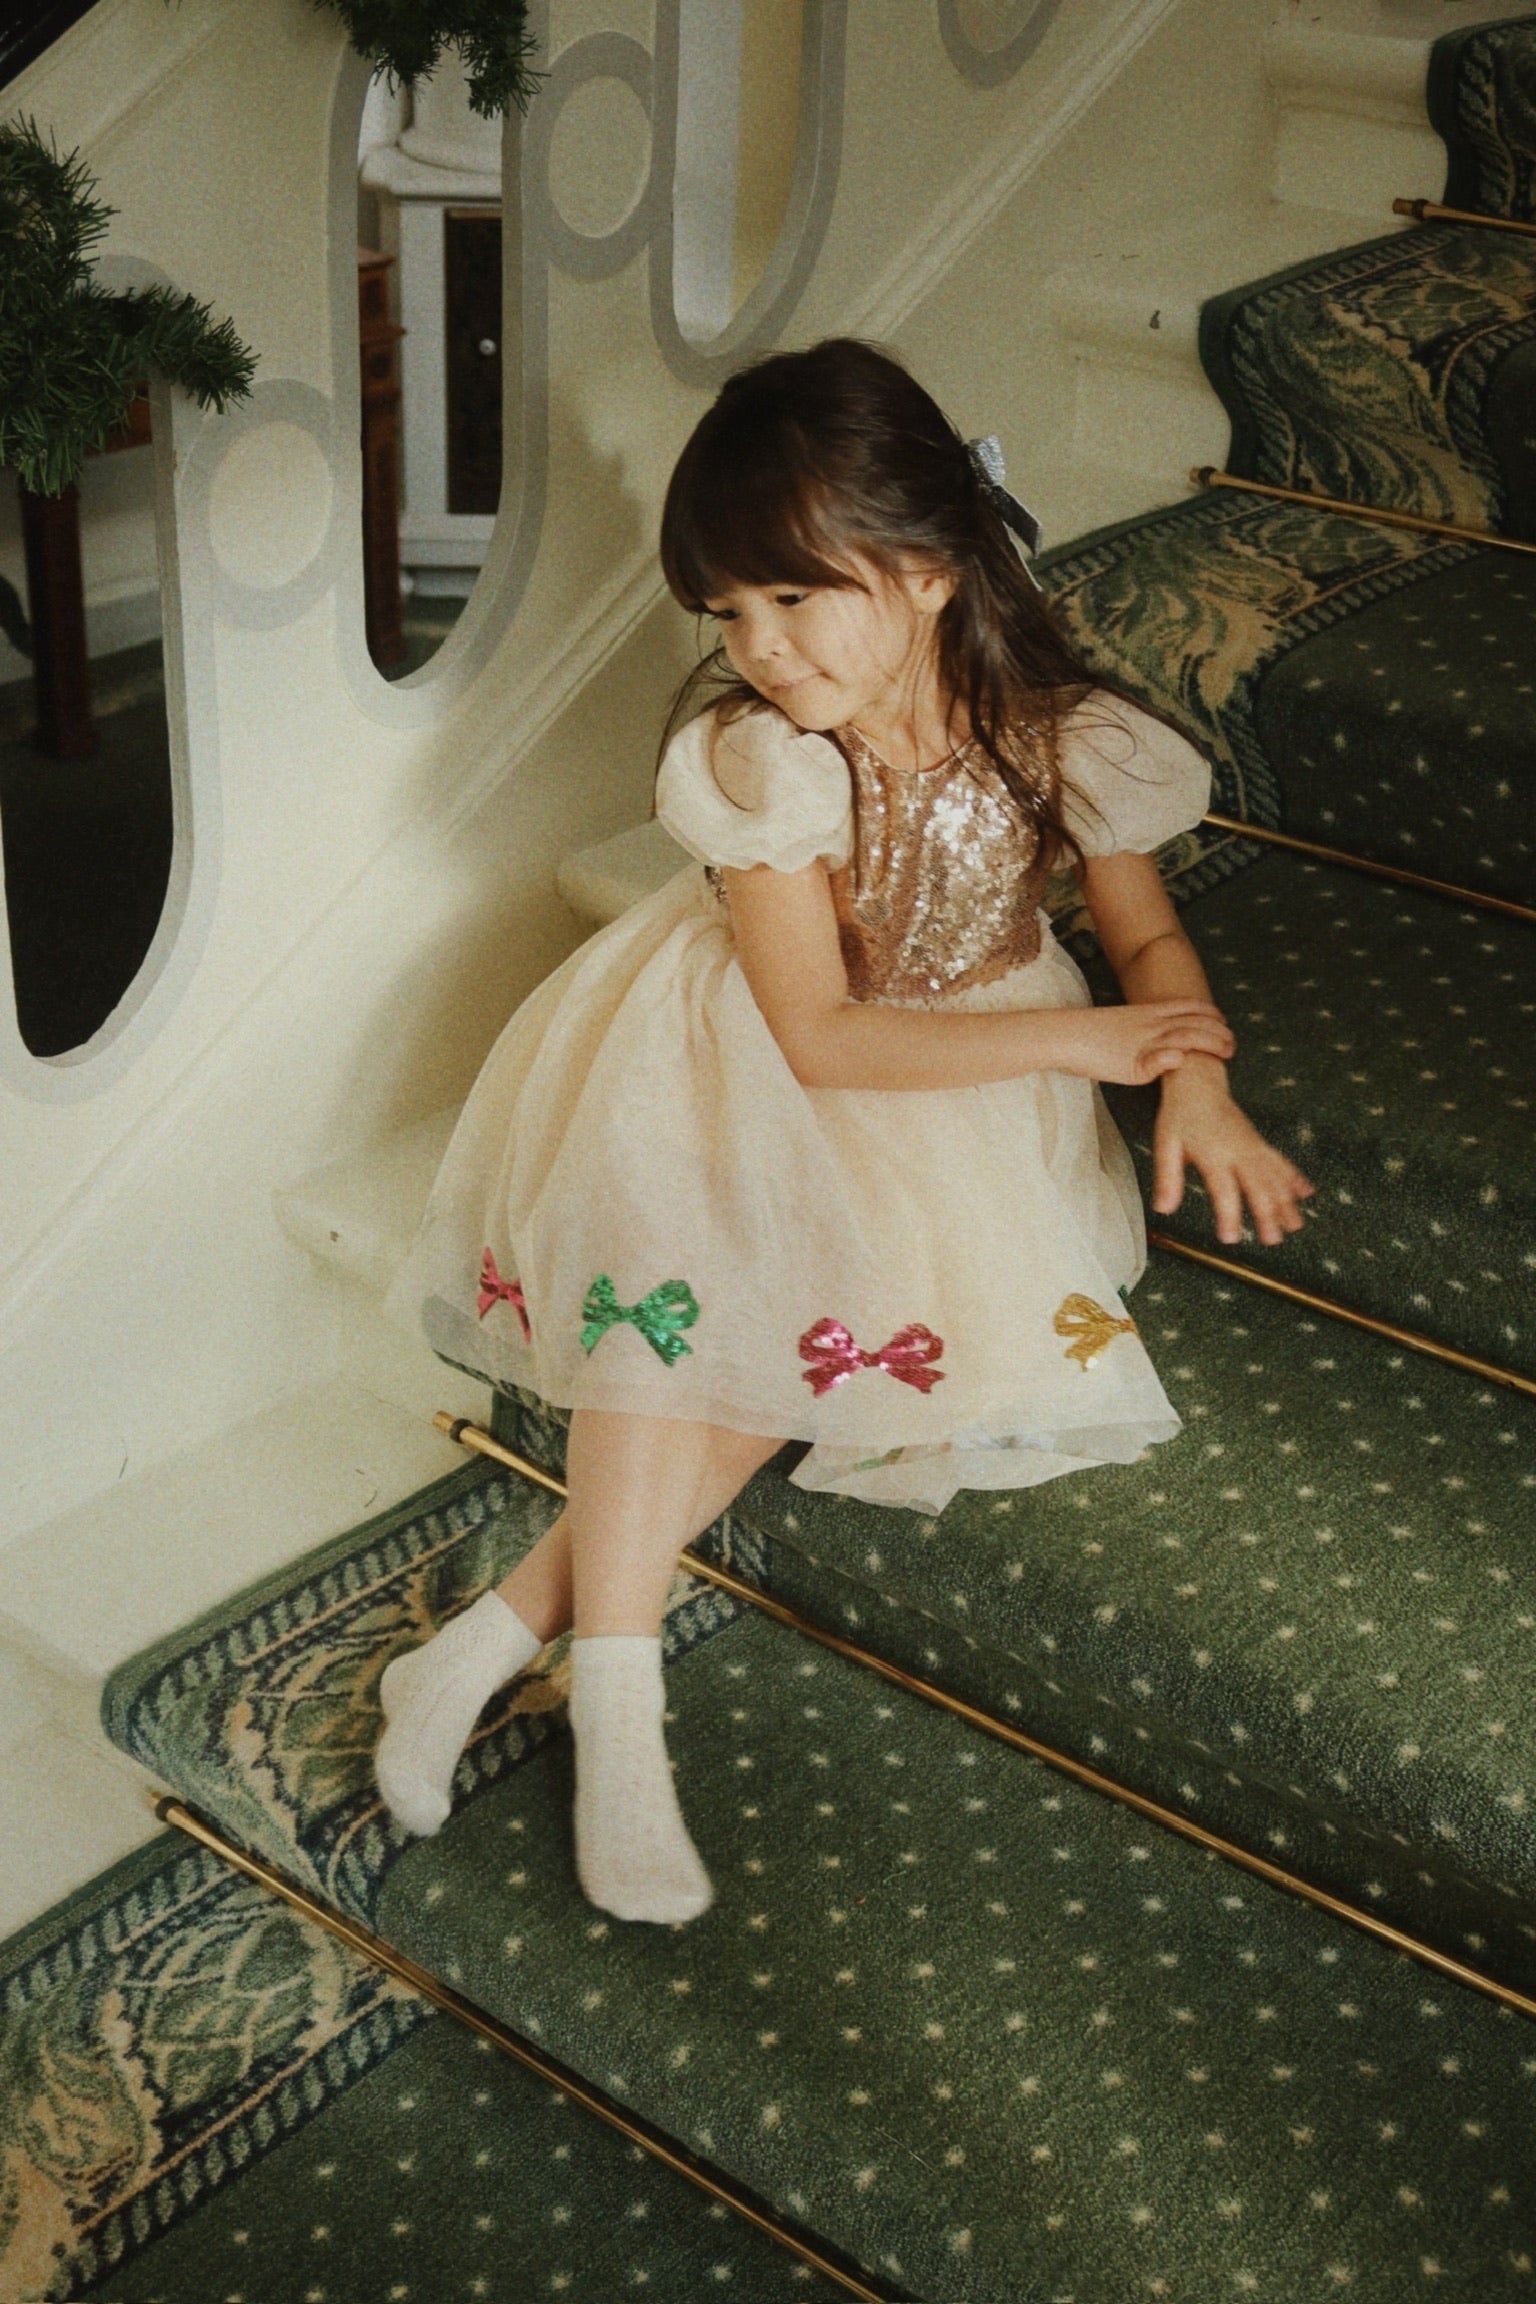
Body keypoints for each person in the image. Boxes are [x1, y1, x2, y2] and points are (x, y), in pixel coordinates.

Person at [378, 339, 1313, 1927]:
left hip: (962, 1078)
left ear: (932, 571)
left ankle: (475, 1647)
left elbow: (1147, 940)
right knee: (686, 1304)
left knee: (788, 1336)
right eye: (729, 611)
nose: (760, 646)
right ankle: (622, 1709)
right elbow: (816, 1037)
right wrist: (1092, 1040)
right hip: (759, 1048)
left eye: (794, 597)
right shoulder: (767, 759)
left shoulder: (1064, 734)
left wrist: (1196, 1074)